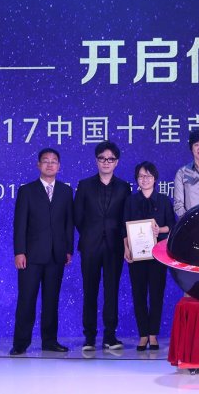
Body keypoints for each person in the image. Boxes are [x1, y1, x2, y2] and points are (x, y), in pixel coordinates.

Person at [10, 148, 74, 355]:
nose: (50, 164)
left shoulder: (65, 191)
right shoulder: (27, 191)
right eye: (45, 161)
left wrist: (68, 249)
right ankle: (20, 343)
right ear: (38, 165)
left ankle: (50, 341)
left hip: (56, 255)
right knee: (26, 299)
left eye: (54, 161)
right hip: (31, 256)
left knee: (51, 300)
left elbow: (68, 223)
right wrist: (19, 251)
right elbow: (19, 224)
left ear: (59, 166)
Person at [74, 141, 131, 351]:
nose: (106, 162)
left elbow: (126, 217)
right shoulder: (84, 185)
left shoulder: (124, 187)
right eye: (102, 158)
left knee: (111, 291)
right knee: (89, 291)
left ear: (116, 162)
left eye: (110, 159)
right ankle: (89, 337)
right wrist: (91, 234)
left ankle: (110, 336)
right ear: (96, 160)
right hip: (90, 246)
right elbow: (78, 216)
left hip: (115, 246)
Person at [123, 162, 176, 351]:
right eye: (141, 176)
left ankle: (153, 334)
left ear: (155, 179)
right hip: (136, 256)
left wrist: (159, 229)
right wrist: (126, 248)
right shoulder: (130, 201)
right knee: (138, 294)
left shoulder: (163, 200)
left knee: (156, 293)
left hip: (157, 255)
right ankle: (143, 335)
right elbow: (124, 226)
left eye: (148, 176)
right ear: (137, 179)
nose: (144, 179)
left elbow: (172, 226)